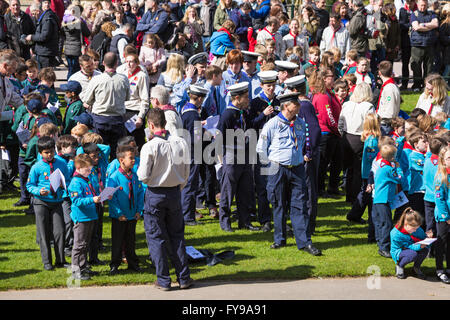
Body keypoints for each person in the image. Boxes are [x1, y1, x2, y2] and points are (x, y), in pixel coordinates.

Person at [256, 92, 321, 256]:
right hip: (277, 168)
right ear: (286, 106)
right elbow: (261, 148)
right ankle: (279, 239)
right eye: (296, 104)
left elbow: (303, 142)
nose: (299, 106)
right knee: (278, 204)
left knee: (300, 205)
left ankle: (305, 242)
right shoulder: (272, 124)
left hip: (297, 168)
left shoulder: (300, 123)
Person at [137, 108, 194, 291]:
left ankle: (163, 279)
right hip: (175, 192)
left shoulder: (150, 146)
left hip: (155, 193)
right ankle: (183, 277)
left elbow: (143, 175)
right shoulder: (180, 142)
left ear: (151, 125)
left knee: (156, 237)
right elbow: (186, 170)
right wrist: (179, 186)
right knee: (177, 235)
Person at [216, 82, 260, 232]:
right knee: (228, 191)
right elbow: (219, 136)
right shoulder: (228, 114)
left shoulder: (244, 112)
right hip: (232, 156)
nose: (248, 99)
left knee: (245, 190)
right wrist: (221, 161)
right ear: (237, 98)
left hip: (245, 155)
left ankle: (245, 221)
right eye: (245, 97)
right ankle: (225, 221)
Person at [26, 136, 70, 271]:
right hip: (41, 203)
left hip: (57, 202)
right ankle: (47, 262)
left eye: (51, 151)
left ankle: (60, 260)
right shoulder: (36, 167)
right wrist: (39, 191)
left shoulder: (62, 163)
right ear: (40, 153)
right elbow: (30, 185)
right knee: (44, 232)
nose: (50, 154)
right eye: (46, 152)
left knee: (59, 231)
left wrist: (64, 186)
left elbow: (67, 180)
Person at [83, 52, 130, 159]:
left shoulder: (96, 79)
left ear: (103, 63)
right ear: (116, 63)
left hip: (100, 119)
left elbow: (87, 100)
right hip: (117, 119)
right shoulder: (123, 79)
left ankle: (101, 171)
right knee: (117, 152)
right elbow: (127, 98)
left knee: (99, 151)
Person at [107, 144, 144, 275]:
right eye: (131, 158)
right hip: (119, 216)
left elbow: (140, 193)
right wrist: (118, 213)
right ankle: (114, 264)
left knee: (130, 240)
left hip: (132, 214)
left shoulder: (135, 176)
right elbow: (111, 198)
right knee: (117, 241)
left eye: (134, 158)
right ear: (122, 160)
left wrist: (139, 210)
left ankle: (133, 263)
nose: (134, 161)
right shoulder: (114, 177)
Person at [338, 83, 375, 204]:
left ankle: (350, 196)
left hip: (346, 137)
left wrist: (342, 133)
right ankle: (356, 197)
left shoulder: (346, 104)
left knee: (348, 169)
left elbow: (340, 121)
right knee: (358, 169)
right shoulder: (368, 106)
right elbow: (370, 124)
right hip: (359, 138)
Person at [310, 68, 342, 196]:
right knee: (323, 163)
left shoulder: (328, 93)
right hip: (326, 133)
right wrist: (337, 130)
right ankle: (320, 189)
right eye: (331, 76)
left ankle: (331, 187)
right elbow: (327, 117)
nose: (333, 78)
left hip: (331, 132)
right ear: (324, 79)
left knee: (336, 161)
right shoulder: (323, 96)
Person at [68, 153, 100, 280]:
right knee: (79, 245)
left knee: (85, 244)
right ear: (79, 168)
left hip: (90, 216)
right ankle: (76, 271)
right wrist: (92, 199)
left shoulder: (85, 179)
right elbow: (76, 201)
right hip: (81, 218)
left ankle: (83, 266)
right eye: (87, 169)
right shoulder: (75, 183)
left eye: (91, 169)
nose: (89, 171)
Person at [180, 85, 209, 226]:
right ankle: (187, 216)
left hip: (187, 151)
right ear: (199, 98)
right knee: (190, 184)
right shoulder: (192, 114)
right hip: (192, 152)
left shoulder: (185, 109)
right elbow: (194, 137)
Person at [373, 143, 404, 258]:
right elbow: (400, 179)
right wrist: (399, 167)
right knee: (387, 223)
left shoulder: (382, 165)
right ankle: (384, 247)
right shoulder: (389, 169)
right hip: (383, 200)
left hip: (379, 199)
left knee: (381, 222)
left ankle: (380, 242)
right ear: (392, 157)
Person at [119, 53, 150, 150]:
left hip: (135, 111)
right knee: (124, 141)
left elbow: (145, 99)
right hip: (123, 110)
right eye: (127, 61)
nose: (128, 64)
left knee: (137, 141)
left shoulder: (142, 76)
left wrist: (140, 117)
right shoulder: (123, 75)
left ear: (137, 63)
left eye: (131, 61)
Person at [390, 207, 431, 279]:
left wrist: (428, 237)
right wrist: (420, 246)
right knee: (412, 254)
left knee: (425, 250)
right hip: (399, 251)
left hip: (411, 246)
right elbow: (409, 246)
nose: (415, 230)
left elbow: (422, 238)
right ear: (406, 224)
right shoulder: (396, 234)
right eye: (413, 228)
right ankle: (400, 265)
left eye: (417, 228)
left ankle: (416, 268)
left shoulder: (416, 228)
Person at [410, 0, 439, 91]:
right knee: (416, 67)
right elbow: (416, 27)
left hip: (429, 44)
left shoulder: (431, 13)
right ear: (417, 5)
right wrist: (429, 26)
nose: (423, 7)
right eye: (421, 5)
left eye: (425, 5)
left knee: (429, 67)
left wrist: (423, 25)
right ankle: (417, 85)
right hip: (417, 45)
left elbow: (436, 24)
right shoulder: (414, 14)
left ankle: (427, 86)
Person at [25, 0, 60, 69]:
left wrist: (32, 37)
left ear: (38, 11)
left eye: (34, 14)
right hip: (44, 51)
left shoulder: (47, 18)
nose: (33, 16)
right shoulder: (46, 17)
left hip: (46, 52)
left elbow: (44, 36)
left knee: (45, 75)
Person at [433, 145, 450, 284]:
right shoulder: (441, 177)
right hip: (444, 218)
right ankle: (439, 269)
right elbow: (439, 199)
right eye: (449, 158)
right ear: (443, 161)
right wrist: (446, 217)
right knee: (442, 243)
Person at [376, 60, 401, 135]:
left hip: (386, 124)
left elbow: (390, 110)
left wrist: (381, 120)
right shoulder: (388, 86)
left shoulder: (389, 88)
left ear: (379, 73)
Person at [398, 0, 417, 90]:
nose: (409, 5)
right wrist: (412, 25)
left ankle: (417, 83)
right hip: (405, 41)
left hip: (416, 42)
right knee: (405, 63)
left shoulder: (418, 11)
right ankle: (404, 83)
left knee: (416, 63)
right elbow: (401, 24)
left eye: (411, 3)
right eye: (408, 3)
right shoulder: (402, 10)